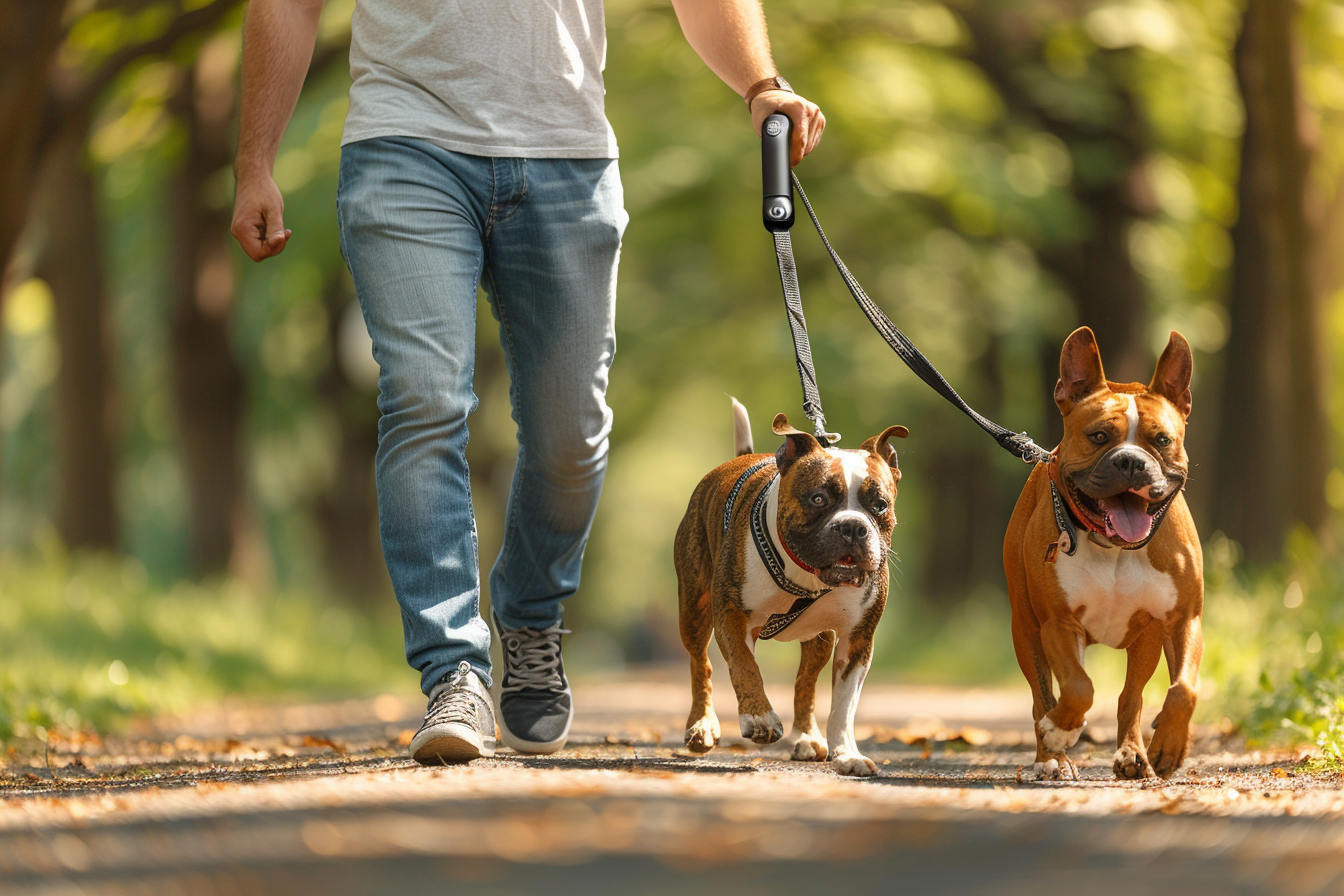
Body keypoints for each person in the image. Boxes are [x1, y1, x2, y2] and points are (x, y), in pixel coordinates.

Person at [231, 0, 825, 764]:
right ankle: (454, 670)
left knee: (571, 430)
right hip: (404, 144)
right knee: (423, 399)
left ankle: (531, 615)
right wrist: (255, 164)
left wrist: (759, 84)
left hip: (566, 155)